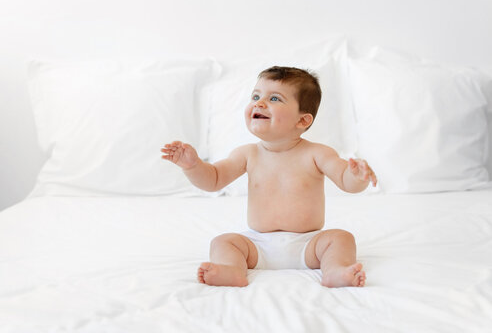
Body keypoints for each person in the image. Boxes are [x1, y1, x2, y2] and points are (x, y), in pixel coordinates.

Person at [161, 66, 377, 288]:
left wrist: (356, 176)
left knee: (342, 239)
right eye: (256, 96)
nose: (259, 103)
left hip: (308, 244)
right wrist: (193, 166)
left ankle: (335, 272)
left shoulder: (317, 153)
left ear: (302, 121)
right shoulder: (247, 154)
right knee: (223, 242)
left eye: (274, 98)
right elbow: (213, 179)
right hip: (257, 245)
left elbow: (345, 179)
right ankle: (232, 270)